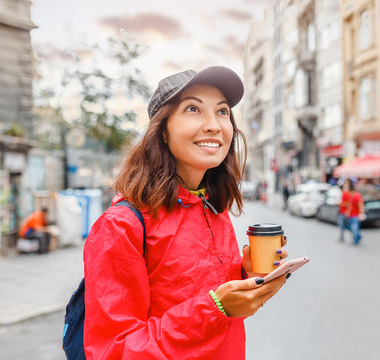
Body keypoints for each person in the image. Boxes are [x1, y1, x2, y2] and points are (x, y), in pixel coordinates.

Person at [83, 66, 290, 359]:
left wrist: (247, 278)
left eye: (222, 111)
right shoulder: (120, 226)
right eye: (193, 108)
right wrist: (216, 308)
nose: (214, 125)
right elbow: (114, 352)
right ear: (163, 131)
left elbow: (208, 304)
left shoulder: (213, 209)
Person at [339, 180, 365, 245]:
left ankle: (356, 240)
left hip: (355, 215)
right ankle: (357, 236)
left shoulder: (356, 196)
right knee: (351, 228)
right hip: (351, 215)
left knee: (354, 228)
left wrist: (361, 213)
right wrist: (347, 212)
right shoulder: (350, 196)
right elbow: (350, 205)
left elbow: (360, 205)